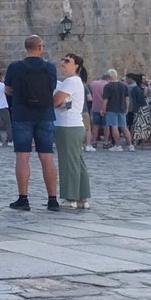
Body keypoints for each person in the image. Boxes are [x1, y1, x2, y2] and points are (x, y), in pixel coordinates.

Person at [4, 35, 60, 212]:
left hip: (22, 114)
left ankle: (23, 198)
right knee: (47, 156)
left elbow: (8, 89)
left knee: (22, 156)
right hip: (45, 114)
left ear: (26, 48)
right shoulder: (50, 67)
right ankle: (52, 200)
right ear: (40, 47)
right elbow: (52, 87)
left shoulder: (15, 67)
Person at [53, 54, 91, 209]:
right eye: (63, 60)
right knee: (77, 162)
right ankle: (82, 197)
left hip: (67, 126)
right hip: (75, 125)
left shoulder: (70, 81)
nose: (63, 63)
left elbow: (56, 101)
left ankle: (71, 197)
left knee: (68, 162)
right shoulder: (74, 82)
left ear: (76, 66)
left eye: (67, 61)